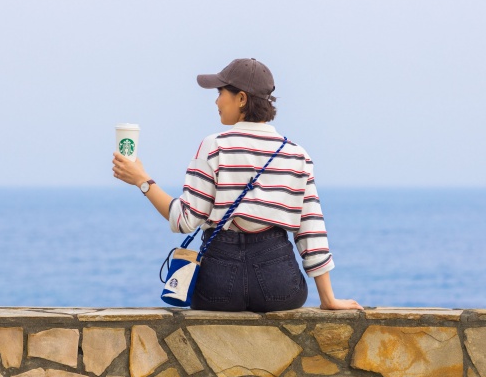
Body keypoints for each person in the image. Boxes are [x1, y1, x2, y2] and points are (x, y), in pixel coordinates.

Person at [112, 58, 361, 312]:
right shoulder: (297, 155)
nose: (216, 101)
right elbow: (311, 230)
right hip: (279, 286)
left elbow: (184, 221)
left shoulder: (214, 146)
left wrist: (142, 180)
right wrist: (328, 299)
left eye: (221, 92)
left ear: (241, 99)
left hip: (218, 286)